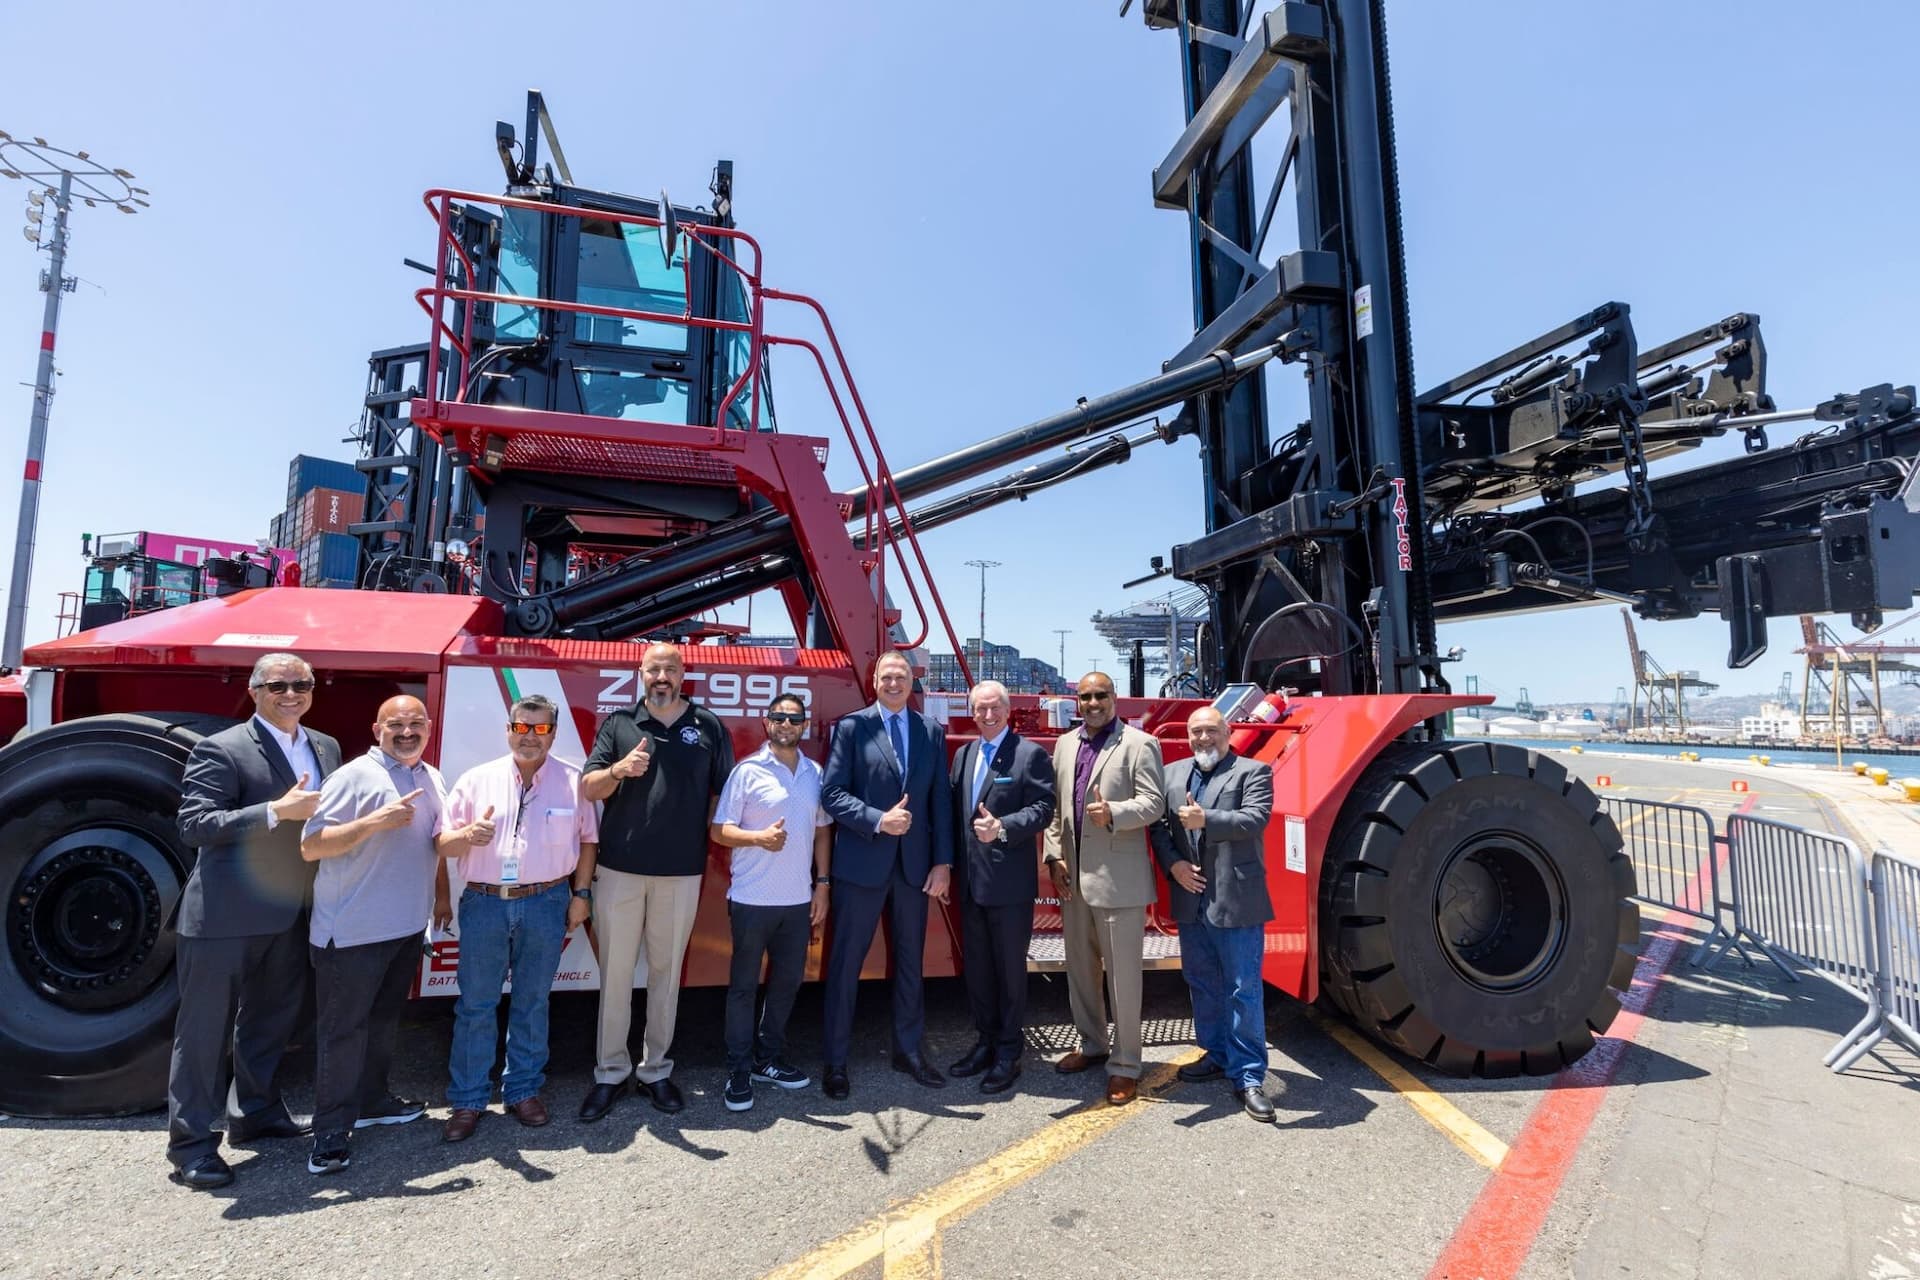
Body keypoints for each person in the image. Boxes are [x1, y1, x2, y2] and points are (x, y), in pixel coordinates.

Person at [166, 653, 341, 1191]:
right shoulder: (222, 749)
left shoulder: (327, 746)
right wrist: (274, 812)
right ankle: (192, 1147)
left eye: (302, 683)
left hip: (292, 911)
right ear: (256, 689)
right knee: (203, 1035)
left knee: (269, 1020)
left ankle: (256, 1113)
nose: (291, 692)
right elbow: (195, 825)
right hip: (224, 916)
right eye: (278, 684)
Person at [433, 694, 599, 1142]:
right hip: (486, 902)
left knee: (532, 1001)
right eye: (522, 727)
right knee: (476, 1005)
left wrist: (580, 894)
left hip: (547, 901)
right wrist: (467, 835)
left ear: (553, 733)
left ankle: (523, 1089)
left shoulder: (573, 780)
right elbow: (442, 845)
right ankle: (467, 1100)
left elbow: (588, 841)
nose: (529, 737)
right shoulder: (476, 780)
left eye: (540, 729)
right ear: (508, 729)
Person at [579, 642, 733, 1120]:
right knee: (617, 977)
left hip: (681, 873)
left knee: (666, 979)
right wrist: (619, 770)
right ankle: (610, 1073)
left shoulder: (707, 726)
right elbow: (588, 788)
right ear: (640, 674)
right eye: (653, 669)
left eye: (670, 669)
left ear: (683, 674)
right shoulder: (619, 723)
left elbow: (727, 796)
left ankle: (655, 1071)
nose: (661, 677)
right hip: (619, 870)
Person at [298, 695, 445, 1174]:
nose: (407, 732)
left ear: (428, 727)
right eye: (395, 725)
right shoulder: (353, 776)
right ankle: (330, 1135)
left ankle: (373, 1102)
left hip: (403, 928)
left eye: (415, 724)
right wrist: (373, 822)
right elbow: (312, 845)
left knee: (383, 1024)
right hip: (352, 934)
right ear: (376, 728)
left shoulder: (431, 776)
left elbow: (433, 844)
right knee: (343, 1034)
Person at [819, 650, 955, 1099]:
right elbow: (833, 793)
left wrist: (942, 862)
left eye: (901, 676)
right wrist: (879, 819)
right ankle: (835, 1062)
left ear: (911, 681)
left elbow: (939, 802)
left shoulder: (930, 731)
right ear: (873, 680)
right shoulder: (853, 727)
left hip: (914, 869)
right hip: (862, 864)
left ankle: (909, 1052)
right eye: (886, 676)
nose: (894, 683)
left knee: (910, 963)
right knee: (845, 965)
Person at [1042, 671, 1165, 1106]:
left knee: (1123, 980)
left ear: (1115, 698)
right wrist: (1053, 856)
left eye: (1101, 695)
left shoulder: (1139, 744)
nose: (1093, 703)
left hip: (1119, 881)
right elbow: (1057, 809)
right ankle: (1092, 1045)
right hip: (1073, 879)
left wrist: (1113, 811)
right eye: (1086, 696)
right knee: (1080, 972)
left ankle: (1126, 1064)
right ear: (1077, 701)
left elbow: (1154, 803)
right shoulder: (1065, 744)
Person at [709, 693, 832, 1112]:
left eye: (793, 718)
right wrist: (758, 838)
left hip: (797, 900)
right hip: (751, 899)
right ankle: (739, 1070)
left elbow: (821, 831)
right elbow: (720, 830)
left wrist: (823, 884)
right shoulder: (747, 771)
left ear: (804, 725)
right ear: (766, 724)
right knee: (743, 989)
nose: (785, 724)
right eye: (778, 717)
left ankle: (769, 1060)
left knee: (786, 984)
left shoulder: (815, 773)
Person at [1153, 707, 1277, 1122]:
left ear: (1227, 733)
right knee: (1202, 981)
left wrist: (1207, 818)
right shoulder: (1172, 774)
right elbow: (1159, 829)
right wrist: (1174, 866)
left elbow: (1255, 819)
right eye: (1195, 732)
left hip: (1235, 896)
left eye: (1210, 730)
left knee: (1243, 987)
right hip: (1190, 896)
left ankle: (1249, 1076)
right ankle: (1217, 1054)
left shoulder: (1253, 771)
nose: (1203, 738)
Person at [947, 680, 1054, 1094]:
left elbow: (1044, 808)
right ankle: (986, 1042)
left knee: (1009, 971)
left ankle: (1010, 1051)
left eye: (994, 708)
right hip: (971, 882)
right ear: (971, 712)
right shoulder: (964, 755)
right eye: (980, 709)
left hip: (1009, 886)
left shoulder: (1028, 754)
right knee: (978, 969)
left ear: (1008, 710)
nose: (987, 715)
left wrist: (1003, 828)